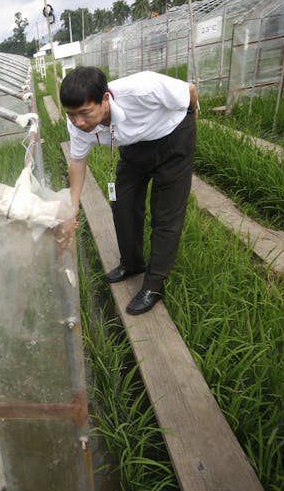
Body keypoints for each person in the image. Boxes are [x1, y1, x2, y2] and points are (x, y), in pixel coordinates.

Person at [58, 66, 197, 315]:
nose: (78, 122)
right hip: (134, 145)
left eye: (84, 113)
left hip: (172, 138)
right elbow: (77, 161)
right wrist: (73, 207)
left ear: (104, 99)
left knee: (165, 216)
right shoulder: (77, 126)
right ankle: (131, 264)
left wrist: (191, 119)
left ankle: (154, 285)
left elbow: (190, 92)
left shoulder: (144, 89)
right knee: (123, 203)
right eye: (71, 115)